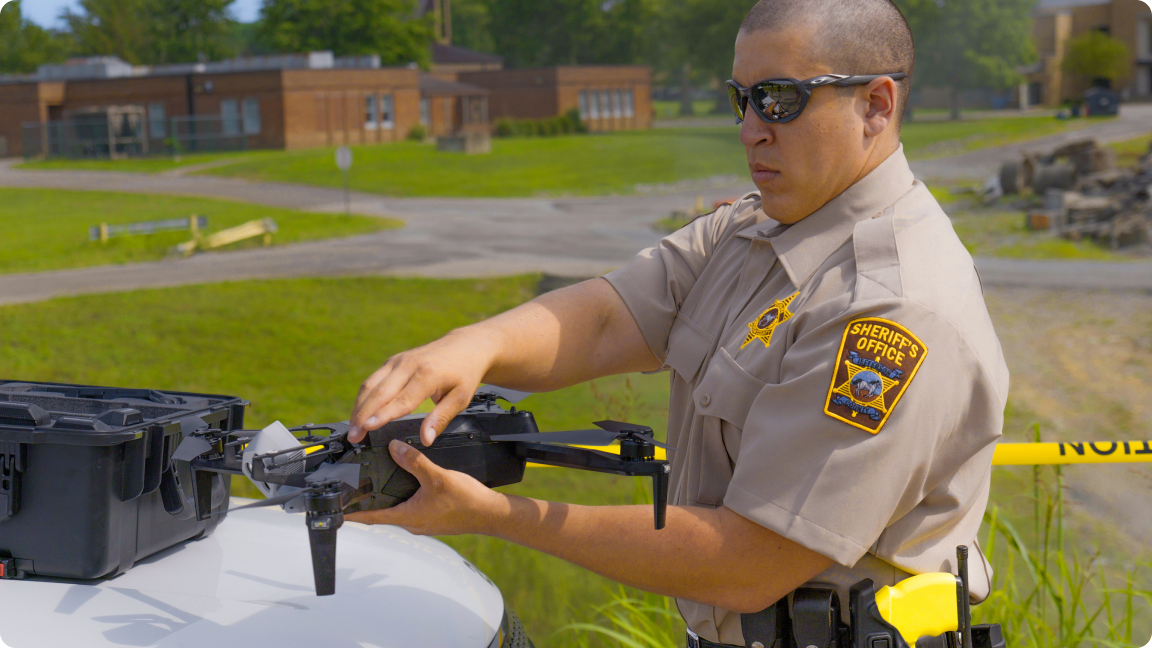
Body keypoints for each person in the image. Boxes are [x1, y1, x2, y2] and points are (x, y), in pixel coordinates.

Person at [344, 0, 1009, 645]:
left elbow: (748, 562)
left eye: (781, 99)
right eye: (740, 97)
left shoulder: (889, 307)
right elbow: (608, 318)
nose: (751, 128)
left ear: (876, 105)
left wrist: (499, 517)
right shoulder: (749, 229)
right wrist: (472, 346)